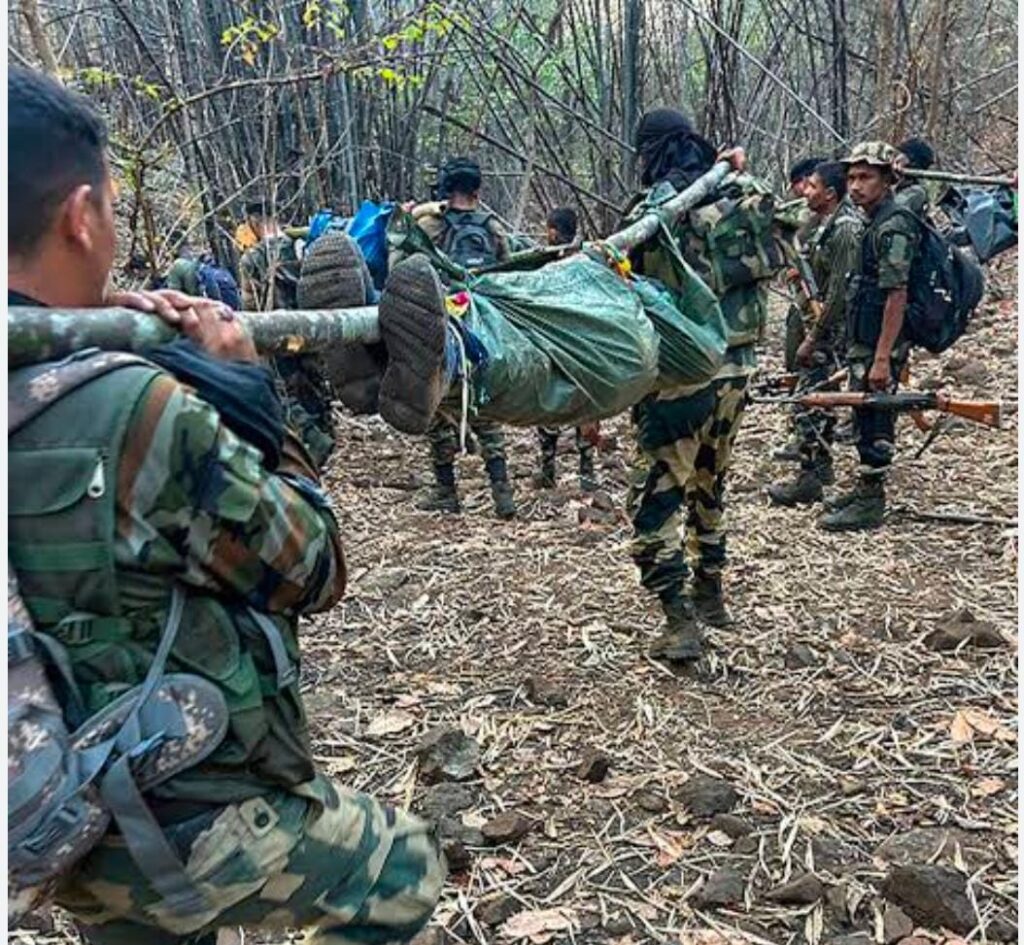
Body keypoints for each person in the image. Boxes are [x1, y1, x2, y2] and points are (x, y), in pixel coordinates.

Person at [7, 66, 443, 945]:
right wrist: (246, 396)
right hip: (170, 811)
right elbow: (312, 564)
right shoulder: (128, 408)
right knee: (400, 872)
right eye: (113, 208)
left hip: (46, 809)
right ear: (81, 216)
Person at [626, 107, 787, 662]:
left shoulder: (657, 210)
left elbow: (630, 292)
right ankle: (711, 593)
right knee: (709, 480)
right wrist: (735, 167)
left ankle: (679, 621)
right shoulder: (743, 194)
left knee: (657, 496)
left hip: (683, 376)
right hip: (738, 369)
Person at [401, 157, 516, 519]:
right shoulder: (493, 227)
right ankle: (502, 492)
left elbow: (403, 270)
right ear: (478, 190)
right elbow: (506, 274)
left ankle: (446, 491)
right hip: (482, 325)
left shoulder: (428, 226)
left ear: (446, 189)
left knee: (436, 405)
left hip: (441, 326)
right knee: (483, 403)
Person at [820, 141, 921, 531]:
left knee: (876, 418)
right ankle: (865, 487)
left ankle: (871, 501)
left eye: (866, 177)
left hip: (881, 342)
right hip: (865, 337)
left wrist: (881, 358)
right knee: (863, 414)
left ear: (887, 180)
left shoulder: (893, 225)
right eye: (851, 178)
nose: (855, 186)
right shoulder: (872, 220)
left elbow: (897, 294)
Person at [769, 161, 863, 506]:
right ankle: (820, 469)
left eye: (811, 186)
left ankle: (810, 477)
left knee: (811, 399)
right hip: (822, 326)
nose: (804, 192)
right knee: (818, 397)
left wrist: (814, 337)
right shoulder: (824, 224)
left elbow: (840, 291)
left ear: (830, 194)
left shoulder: (845, 230)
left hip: (831, 331)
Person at [239, 199, 337, 469]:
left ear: (254, 221)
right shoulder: (304, 247)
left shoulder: (252, 258)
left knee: (286, 396)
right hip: (312, 331)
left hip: (276, 339)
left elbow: (250, 308)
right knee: (315, 389)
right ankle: (325, 438)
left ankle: (313, 448)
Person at [534, 206, 599, 492]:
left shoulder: (548, 268)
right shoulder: (590, 262)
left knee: (550, 406)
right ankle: (587, 473)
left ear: (552, 232)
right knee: (585, 407)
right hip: (586, 347)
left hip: (556, 346)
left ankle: (548, 470)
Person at [894, 136, 936, 215]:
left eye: (902, 154)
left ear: (912, 161)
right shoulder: (900, 184)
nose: (897, 158)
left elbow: (891, 209)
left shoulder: (916, 192)